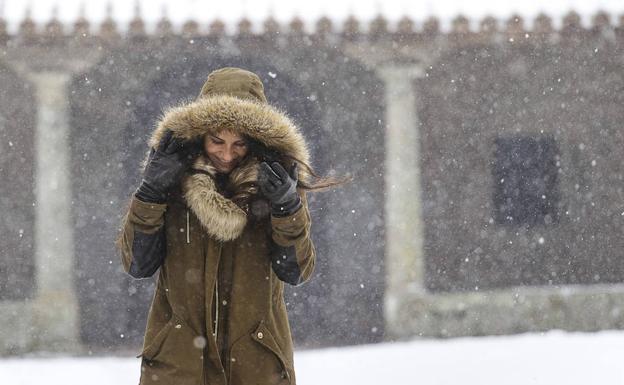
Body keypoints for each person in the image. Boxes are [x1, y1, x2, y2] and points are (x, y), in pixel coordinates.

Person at [117, 67, 346, 385]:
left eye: (239, 144)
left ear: (257, 142)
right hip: (179, 365)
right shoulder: (170, 185)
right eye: (217, 141)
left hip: (256, 365)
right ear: (200, 137)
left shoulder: (276, 188)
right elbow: (138, 263)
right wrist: (150, 192)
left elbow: (295, 271)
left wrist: (287, 206)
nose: (227, 154)